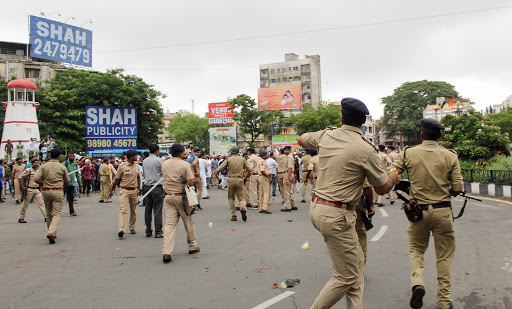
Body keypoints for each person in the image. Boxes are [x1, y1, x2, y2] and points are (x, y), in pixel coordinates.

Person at [298, 97, 395, 309]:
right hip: (337, 215)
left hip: (319, 208)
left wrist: (325, 133)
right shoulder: (365, 148)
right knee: (346, 276)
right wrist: (395, 174)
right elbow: (382, 188)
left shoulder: (326, 136)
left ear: (342, 118)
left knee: (355, 268)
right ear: (363, 123)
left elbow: (301, 140)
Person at [388, 118, 463, 309]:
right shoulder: (450, 156)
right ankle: (445, 300)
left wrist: (403, 187)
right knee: (444, 256)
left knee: (416, 250)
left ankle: (418, 283)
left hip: (418, 212)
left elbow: (393, 175)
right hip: (443, 211)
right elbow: (457, 187)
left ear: (421, 134)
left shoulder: (408, 153)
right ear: (439, 136)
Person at [161, 143, 200, 263]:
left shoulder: (165, 163)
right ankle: (192, 246)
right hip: (181, 197)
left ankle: (166, 251)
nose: (185, 153)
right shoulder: (184, 164)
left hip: (168, 196)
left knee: (170, 225)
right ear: (179, 153)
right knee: (188, 221)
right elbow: (190, 182)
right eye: (183, 151)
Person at [34, 148, 70, 244]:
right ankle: (51, 232)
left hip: (46, 191)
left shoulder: (43, 166)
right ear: (58, 156)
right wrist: (61, 184)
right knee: (57, 213)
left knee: (48, 213)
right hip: (57, 190)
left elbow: (36, 179)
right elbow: (67, 181)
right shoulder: (62, 167)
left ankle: (52, 232)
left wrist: (43, 184)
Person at [109, 150, 141, 238]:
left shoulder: (137, 166)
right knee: (123, 210)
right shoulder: (122, 166)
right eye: (136, 155)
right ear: (131, 157)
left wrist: (139, 188)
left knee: (133, 210)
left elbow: (138, 177)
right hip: (124, 190)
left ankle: (132, 227)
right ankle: (121, 229)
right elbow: (116, 179)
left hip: (134, 191)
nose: (137, 156)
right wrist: (111, 190)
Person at [215, 146, 251, 221]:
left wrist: (216, 174)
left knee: (231, 197)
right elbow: (250, 169)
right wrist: (246, 176)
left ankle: (234, 215)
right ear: (238, 152)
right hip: (240, 179)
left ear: (231, 152)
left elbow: (219, 168)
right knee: (241, 198)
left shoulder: (228, 159)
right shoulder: (242, 159)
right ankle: (243, 208)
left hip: (231, 179)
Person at [142, 144, 164, 238]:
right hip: (156, 186)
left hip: (147, 186)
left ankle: (148, 230)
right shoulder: (159, 160)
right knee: (157, 209)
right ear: (157, 151)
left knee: (148, 209)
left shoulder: (144, 161)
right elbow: (163, 172)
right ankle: (158, 231)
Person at [18, 158, 46, 223]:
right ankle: (21, 217)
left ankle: (46, 217)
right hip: (29, 189)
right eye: (35, 162)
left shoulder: (39, 171)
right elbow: (20, 177)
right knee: (25, 204)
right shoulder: (28, 170)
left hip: (37, 189)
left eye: (37, 162)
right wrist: (22, 186)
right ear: (32, 163)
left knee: (41, 203)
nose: (36, 164)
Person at [355, 179, 375, 265]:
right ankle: (360, 264)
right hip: (355, 204)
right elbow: (366, 188)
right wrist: (371, 205)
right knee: (360, 234)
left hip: (336, 205)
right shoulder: (360, 165)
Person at [280, 146, 298, 211]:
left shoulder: (289, 157)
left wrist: (287, 178)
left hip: (288, 174)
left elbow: (290, 168)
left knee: (286, 191)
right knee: (289, 190)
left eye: (286, 150)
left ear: (290, 150)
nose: (285, 151)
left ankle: (287, 206)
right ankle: (293, 204)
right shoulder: (288, 157)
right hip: (287, 173)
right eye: (284, 150)